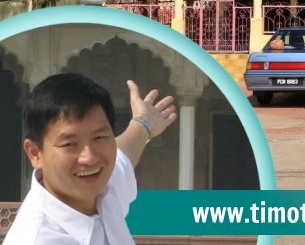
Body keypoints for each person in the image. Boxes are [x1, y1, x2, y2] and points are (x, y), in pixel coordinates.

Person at [7, 72, 178, 244]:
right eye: (69, 144)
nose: (89, 158)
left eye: (99, 138)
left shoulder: (104, 189)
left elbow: (125, 151)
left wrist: (144, 123)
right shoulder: (37, 239)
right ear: (35, 153)